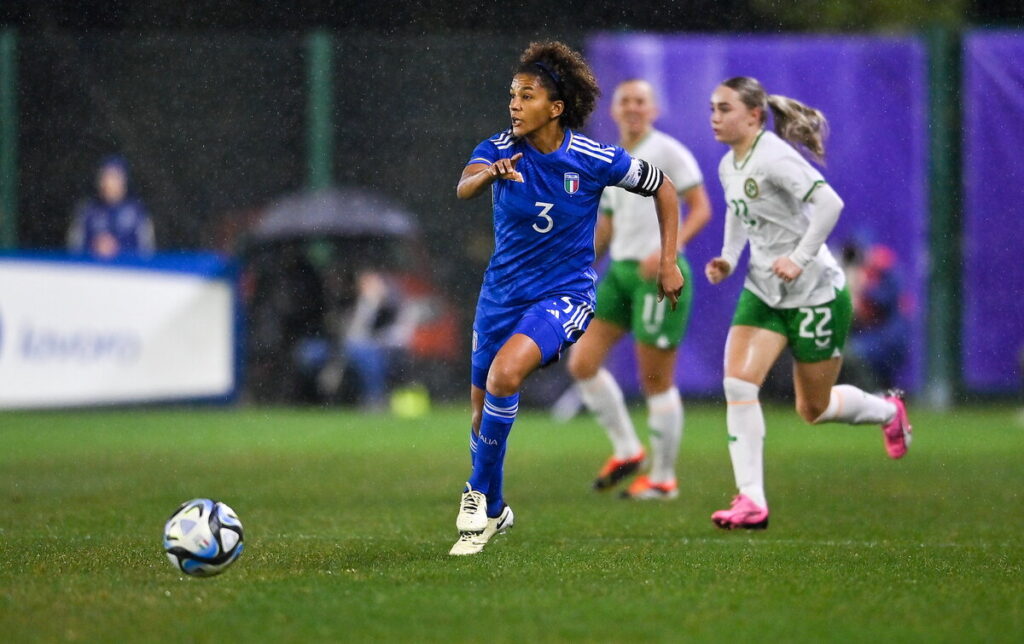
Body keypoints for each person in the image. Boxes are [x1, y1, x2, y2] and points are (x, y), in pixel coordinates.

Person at [450, 41, 684, 555]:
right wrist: (490, 172)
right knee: (480, 413)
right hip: (501, 296)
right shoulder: (497, 147)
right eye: (512, 94)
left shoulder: (593, 157)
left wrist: (668, 261)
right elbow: (464, 186)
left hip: (564, 294)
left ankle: (473, 499)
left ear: (555, 108)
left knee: (504, 376)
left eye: (526, 95)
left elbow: (665, 188)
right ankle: (494, 508)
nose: (514, 104)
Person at [703, 76, 912, 530]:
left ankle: (887, 411)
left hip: (815, 292)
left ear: (755, 116)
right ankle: (751, 500)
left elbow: (830, 205)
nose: (715, 117)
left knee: (811, 409)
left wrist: (798, 259)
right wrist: (728, 258)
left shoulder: (776, 157)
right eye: (712, 109)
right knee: (738, 385)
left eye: (724, 109)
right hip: (763, 290)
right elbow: (740, 216)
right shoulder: (727, 165)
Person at [567, 79, 712, 500]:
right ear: (612, 111)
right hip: (621, 273)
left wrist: (670, 250)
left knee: (655, 379)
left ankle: (664, 479)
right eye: (625, 101)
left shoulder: (667, 150)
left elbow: (701, 207)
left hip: (659, 275)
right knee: (582, 364)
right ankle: (628, 449)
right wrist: (576, 267)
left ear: (654, 110)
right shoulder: (610, 158)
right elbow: (608, 224)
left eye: (640, 101)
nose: (632, 108)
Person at [67, 156, 155, 258]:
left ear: (124, 180)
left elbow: (147, 251)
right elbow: (74, 249)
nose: (108, 183)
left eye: (114, 177)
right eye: (104, 177)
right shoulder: (87, 210)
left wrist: (118, 249)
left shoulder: (137, 212)